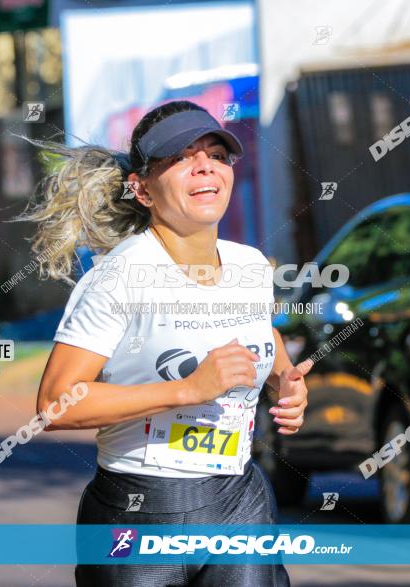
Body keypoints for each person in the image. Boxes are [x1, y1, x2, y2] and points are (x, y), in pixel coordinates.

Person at [22, 100, 312, 586]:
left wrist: (284, 382)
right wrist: (187, 390)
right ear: (142, 188)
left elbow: (264, 334)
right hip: (139, 509)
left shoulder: (250, 267)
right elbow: (55, 404)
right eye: (181, 156)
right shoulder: (119, 278)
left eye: (217, 155)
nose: (204, 165)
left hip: (238, 503)